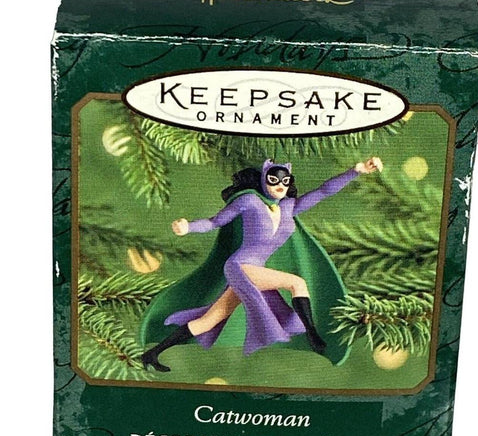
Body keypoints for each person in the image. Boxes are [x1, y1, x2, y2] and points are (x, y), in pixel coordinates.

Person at [140, 157, 383, 372]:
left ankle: (152, 354)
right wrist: (188, 227)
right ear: (263, 179)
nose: (280, 185)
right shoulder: (249, 201)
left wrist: (356, 171)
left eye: (285, 181)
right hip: (240, 266)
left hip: (254, 270)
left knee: (210, 320)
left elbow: (323, 192)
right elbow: (215, 221)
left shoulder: (288, 207)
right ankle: (313, 335)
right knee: (296, 283)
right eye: (274, 179)